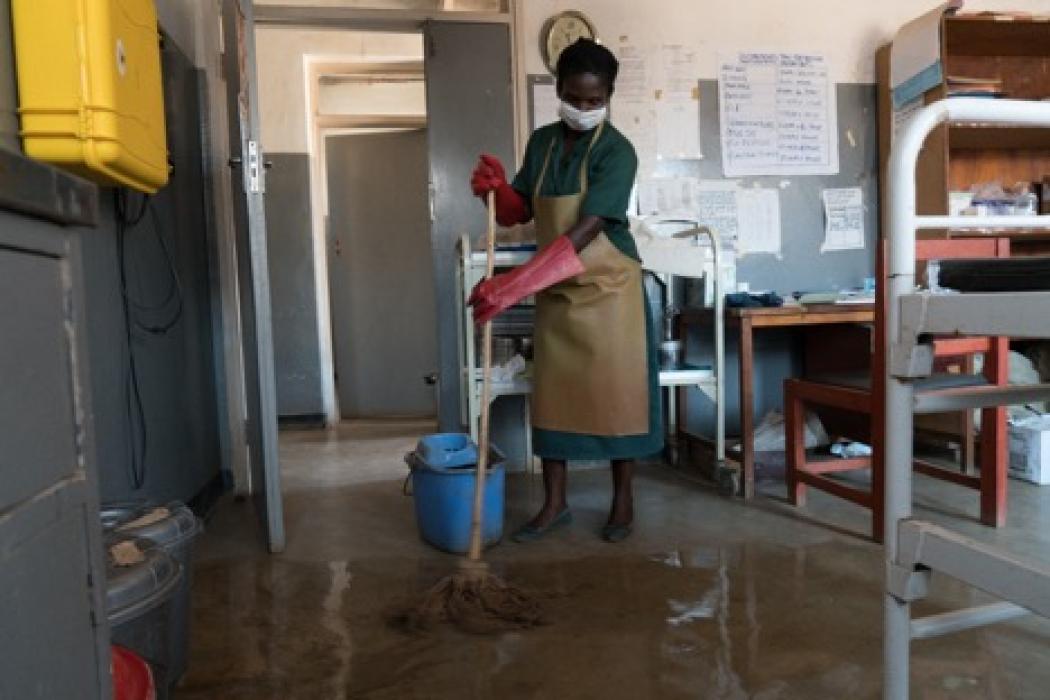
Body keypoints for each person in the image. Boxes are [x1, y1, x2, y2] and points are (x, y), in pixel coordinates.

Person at [469, 38, 662, 544]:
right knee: (552, 398)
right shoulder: (542, 143)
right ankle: (555, 503)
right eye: (574, 98)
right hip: (557, 292)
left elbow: (589, 227)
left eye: (594, 100)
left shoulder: (618, 152)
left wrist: (515, 283)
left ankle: (623, 502)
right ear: (558, 89)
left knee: (618, 398)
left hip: (608, 290)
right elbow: (522, 210)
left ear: (609, 96)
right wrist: (496, 191)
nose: (582, 109)